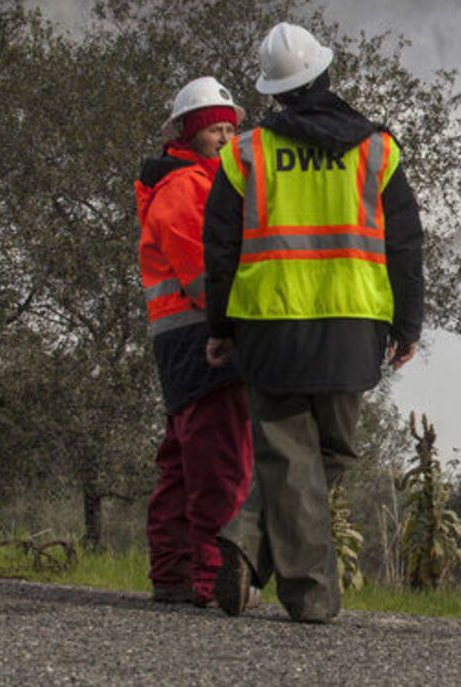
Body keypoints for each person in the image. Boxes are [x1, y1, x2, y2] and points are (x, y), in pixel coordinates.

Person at [203, 22, 423, 623]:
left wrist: (218, 328)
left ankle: (248, 542)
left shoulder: (243, 153)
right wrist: (409, 323)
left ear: (275, 93)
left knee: (291, 455)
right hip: (353, 324)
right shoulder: (378, 148)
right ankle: (311, 596)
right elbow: (405, 244)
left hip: (270, 324)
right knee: (332, 451)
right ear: (327, 74)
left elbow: (220, 250)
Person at [134, 76, 254, 607]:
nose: (226, 139)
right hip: (204, 341)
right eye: (214, 131)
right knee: (219, 465)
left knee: (183, 465)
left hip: (181, 342)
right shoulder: (186, 188)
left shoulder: (196, 182)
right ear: (188, 134)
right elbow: (203, 276)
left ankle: (175, 577)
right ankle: (206, 579)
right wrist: (241, 323)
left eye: (231, 129)